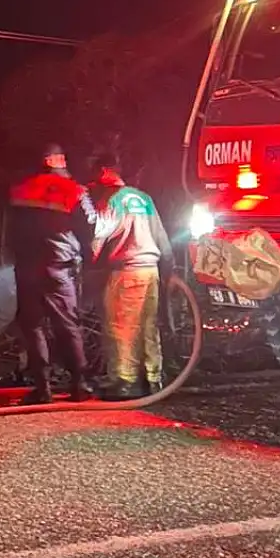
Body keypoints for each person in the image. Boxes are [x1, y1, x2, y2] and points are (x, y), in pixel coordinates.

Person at [7, 144, 96, 404]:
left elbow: (9, 228)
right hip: (59, 267)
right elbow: (91, 224)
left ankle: (43, 388)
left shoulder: (20, 189)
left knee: (32, 327)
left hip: (26, 268)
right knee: (67, 325)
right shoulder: (76, 190)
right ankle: (79, 385)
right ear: (56, 161)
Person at [90, 161, 174, 400]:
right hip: (151, 271)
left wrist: (87, 262)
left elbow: (99, 236)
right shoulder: (144, 199)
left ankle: (125, 382)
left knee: (122, 327)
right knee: (148, 326)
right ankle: (153, 379)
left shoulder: (113, 199)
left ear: (105, 173)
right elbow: (163, 239)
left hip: (126, 272)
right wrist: (168, 269)